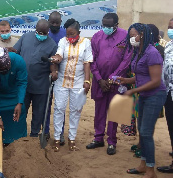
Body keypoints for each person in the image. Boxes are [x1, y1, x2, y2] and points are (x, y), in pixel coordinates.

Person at [118, 23, 166, 178]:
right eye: (130, 36)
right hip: (144, 95)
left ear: (142, 35)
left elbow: (155, 81)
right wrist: (126, 80)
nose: (132, 38)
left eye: (134, 35)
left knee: (146, 132)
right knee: (142, 131)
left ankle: (151, 170)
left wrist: (133, 90)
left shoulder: (152, 53)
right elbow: (140, 76)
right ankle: (143, 165)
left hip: (155, 95)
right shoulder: (139, 52)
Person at [87, 13, 132, 155]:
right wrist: (99, 79)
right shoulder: (97, 36)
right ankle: (98, 138)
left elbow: (127, 60)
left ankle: (112, 141)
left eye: (108, 25)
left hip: (118, 81)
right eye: (103, 24)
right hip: (100, 81)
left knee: (115, 111)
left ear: (116, 25)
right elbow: (92, 59)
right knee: (99, 111)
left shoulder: (125, 36)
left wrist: (113, 77)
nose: (105, 28)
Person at [50, 18, 93, 152]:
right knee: (59, 109)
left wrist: (87, 81)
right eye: (67, 34)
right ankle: (57, 138)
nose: (69, 37)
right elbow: (59, 54)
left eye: (72, 34)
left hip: (78, 82)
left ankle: (72, 139)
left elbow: (87, 62)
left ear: (78, 32)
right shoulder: (63, 41)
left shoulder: (86, 43)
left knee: (76, 110)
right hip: (62, 82)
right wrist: (56, 58)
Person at [14, 19, 57, 137]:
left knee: (38, 113)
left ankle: (34, 134)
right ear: (35, 29)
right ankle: (19, 134)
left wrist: (54, 72)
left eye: (44, 33)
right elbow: (15, 53)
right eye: (39, 32)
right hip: (24, 84)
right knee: (21, 110)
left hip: (41, 85)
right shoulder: (25, 37)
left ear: (48, 32)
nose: (41, 35)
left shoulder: (52, 44)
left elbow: (52, 63)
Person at [45, 11, 66, 144]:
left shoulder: (65, 34)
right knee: (46, 105)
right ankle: (46, 131)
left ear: (60, 22)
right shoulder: (44, 32)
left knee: (60, 106)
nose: (54, 25)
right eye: (52, 22)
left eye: (57, 23)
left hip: (62, 75)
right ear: (48, 21)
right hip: (45, 75)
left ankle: (60, 133)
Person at [157, 19, 173, 174]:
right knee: (171, 126)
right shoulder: (168, 45)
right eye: (169, 27)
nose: (170, 30)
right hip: (168, 94)